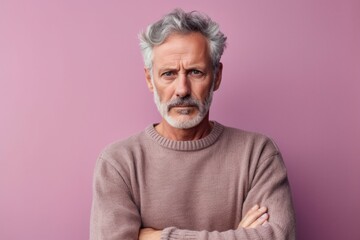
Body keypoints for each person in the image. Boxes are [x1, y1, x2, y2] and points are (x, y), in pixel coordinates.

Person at [90, 8, 296, 240]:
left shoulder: (258, 154)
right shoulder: (119, 162)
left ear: (216, 76)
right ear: (150, 79)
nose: (182, 90)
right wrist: (239, 235)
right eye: (168, 74)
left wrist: (159, 237)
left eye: (195, 72)